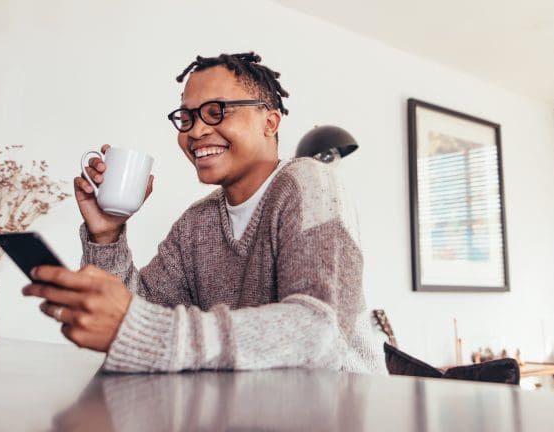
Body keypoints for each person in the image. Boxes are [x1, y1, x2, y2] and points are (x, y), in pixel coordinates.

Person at [22, 52, 386, 374]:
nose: (195, 131)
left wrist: (142, 329)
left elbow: (318, 331)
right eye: (186, 117)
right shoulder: (197, 222)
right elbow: (138, 309)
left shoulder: (311, 182)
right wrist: (107, 235)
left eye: (217, 112)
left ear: (270, 123)